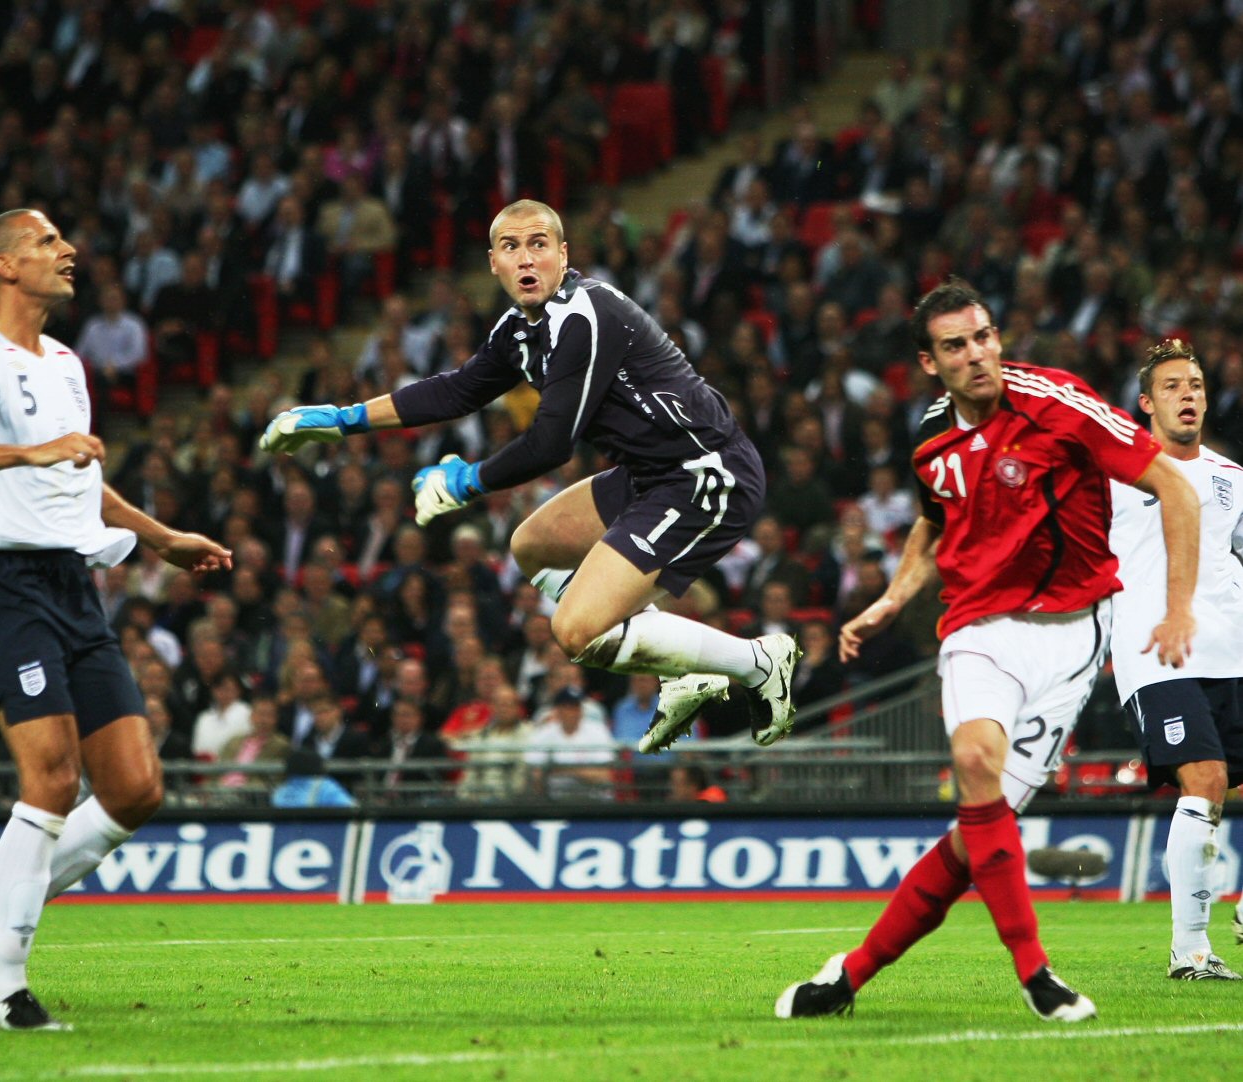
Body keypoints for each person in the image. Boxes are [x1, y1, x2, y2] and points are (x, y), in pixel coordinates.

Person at [776, 278, 1200, 1023]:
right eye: (955, 346)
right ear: (929, 362)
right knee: (973, 762)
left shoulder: (1059, 403)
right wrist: (889, 600)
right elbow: (933, 525)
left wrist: (1177, 610)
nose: (977, 355)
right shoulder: (934, 438)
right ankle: (1037, 975)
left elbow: (1174, 484)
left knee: (977, 836)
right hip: (978, 625)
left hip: (1073, 634)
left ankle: (848, 976)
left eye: (984, 336)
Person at [258, 199, 799, 753]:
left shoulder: (584, 316)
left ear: (563, 256)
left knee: (574, 631)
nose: (526, 259)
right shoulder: (519, 327)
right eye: (511, 247)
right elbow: (457, 389)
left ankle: (759, 663)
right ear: (493, 262)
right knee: (533, 546)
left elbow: (551, 443)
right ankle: (682, 669)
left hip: (704, 477)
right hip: (648, 475)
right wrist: (342, 420)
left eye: (539, 244)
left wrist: (466, 482)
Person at [0, 209, 231, 1031]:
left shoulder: (66, 364)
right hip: (3, 585)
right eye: (49, 242)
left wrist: (162, 539)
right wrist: (26, 452)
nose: (68, 250)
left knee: (135, 786)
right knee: (49, 776)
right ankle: (2, 992)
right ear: (6, 267)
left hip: (74, 587)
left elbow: (81, 479)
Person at [1107, 339, 1243, 981]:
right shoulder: (1117, 475)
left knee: (1224, 782)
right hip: (1157, 652)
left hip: (1231, 653)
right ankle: (1189, 950)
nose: (1186, 395)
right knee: (1207, 779)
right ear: (1145, 403)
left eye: (1194, 384)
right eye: (1171, 386)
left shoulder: (1230, 478)